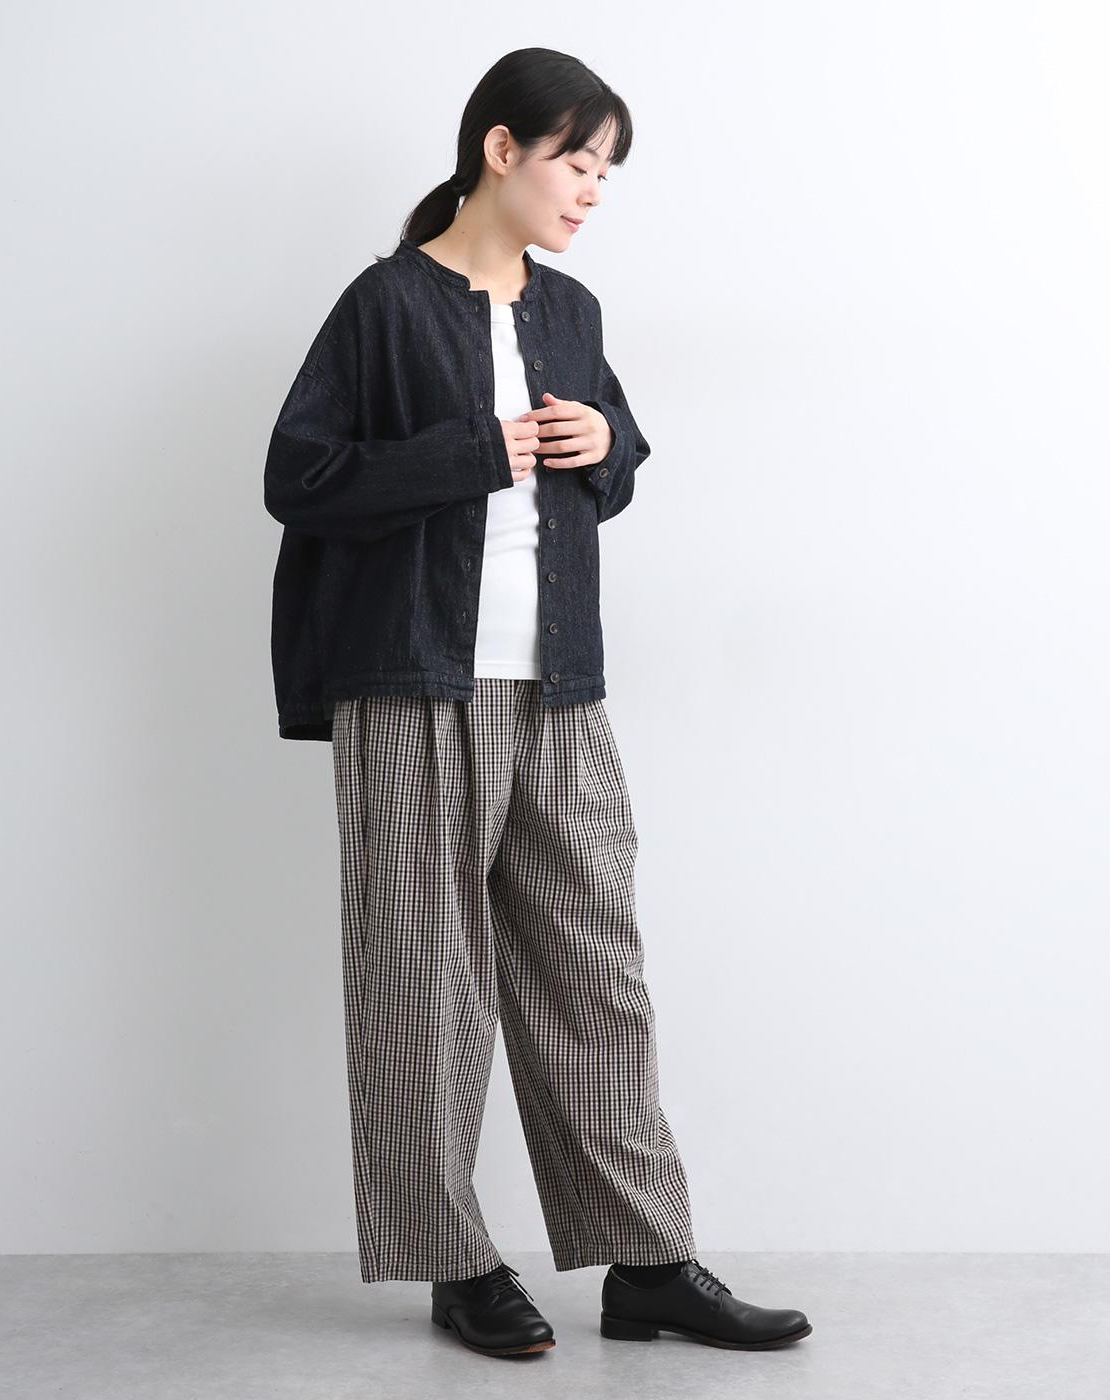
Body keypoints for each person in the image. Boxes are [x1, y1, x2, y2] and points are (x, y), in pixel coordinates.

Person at [263, 47, 812, 1359]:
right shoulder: (384, 305)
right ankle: (457, 1264)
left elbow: (614, 458)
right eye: (579, 161)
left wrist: (607, 446)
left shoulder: (572, 311)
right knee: (427, 983)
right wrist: (472, 452)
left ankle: (648, 1262)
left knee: (596, 972)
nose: (593, 190)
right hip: (414, 684)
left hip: (560, 687)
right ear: (500, 150)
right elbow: (299, 476)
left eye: (607, 171)